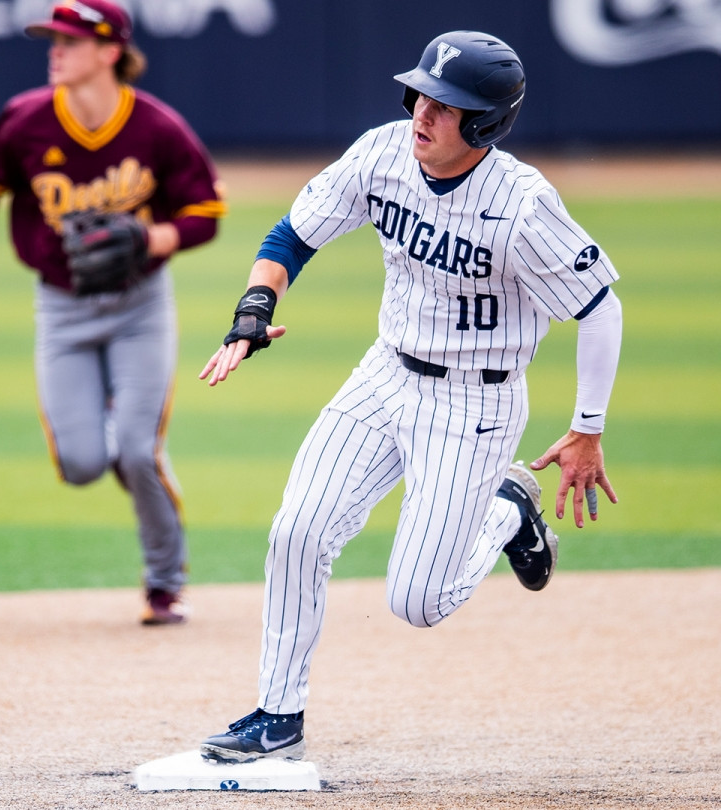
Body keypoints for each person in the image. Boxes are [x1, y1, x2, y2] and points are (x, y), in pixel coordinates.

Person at [195, 30, 623, 761]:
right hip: (384, 374)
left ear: (485, 123)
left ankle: (506, 511)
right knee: (297, 531)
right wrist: (252, 314)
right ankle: (278, 714)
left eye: (445, 106)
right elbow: (292, 235)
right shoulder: (384, 153)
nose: (422, 113)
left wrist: (587, 428)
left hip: (475, 407)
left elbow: (599, 307)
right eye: (420, 94)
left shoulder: (521, 204)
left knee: (418, 602)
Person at [0, 0, 226, 626]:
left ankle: (163, 582)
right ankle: (128, 438)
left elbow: (206, 213)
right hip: (62, 308)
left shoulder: (157, 128)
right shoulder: (24, 121)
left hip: (139, 307)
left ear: (109, 51)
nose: (55, 50)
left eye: (69, 40)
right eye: (53, 39)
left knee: (137, 452)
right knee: (80, 465)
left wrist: (151, 239)